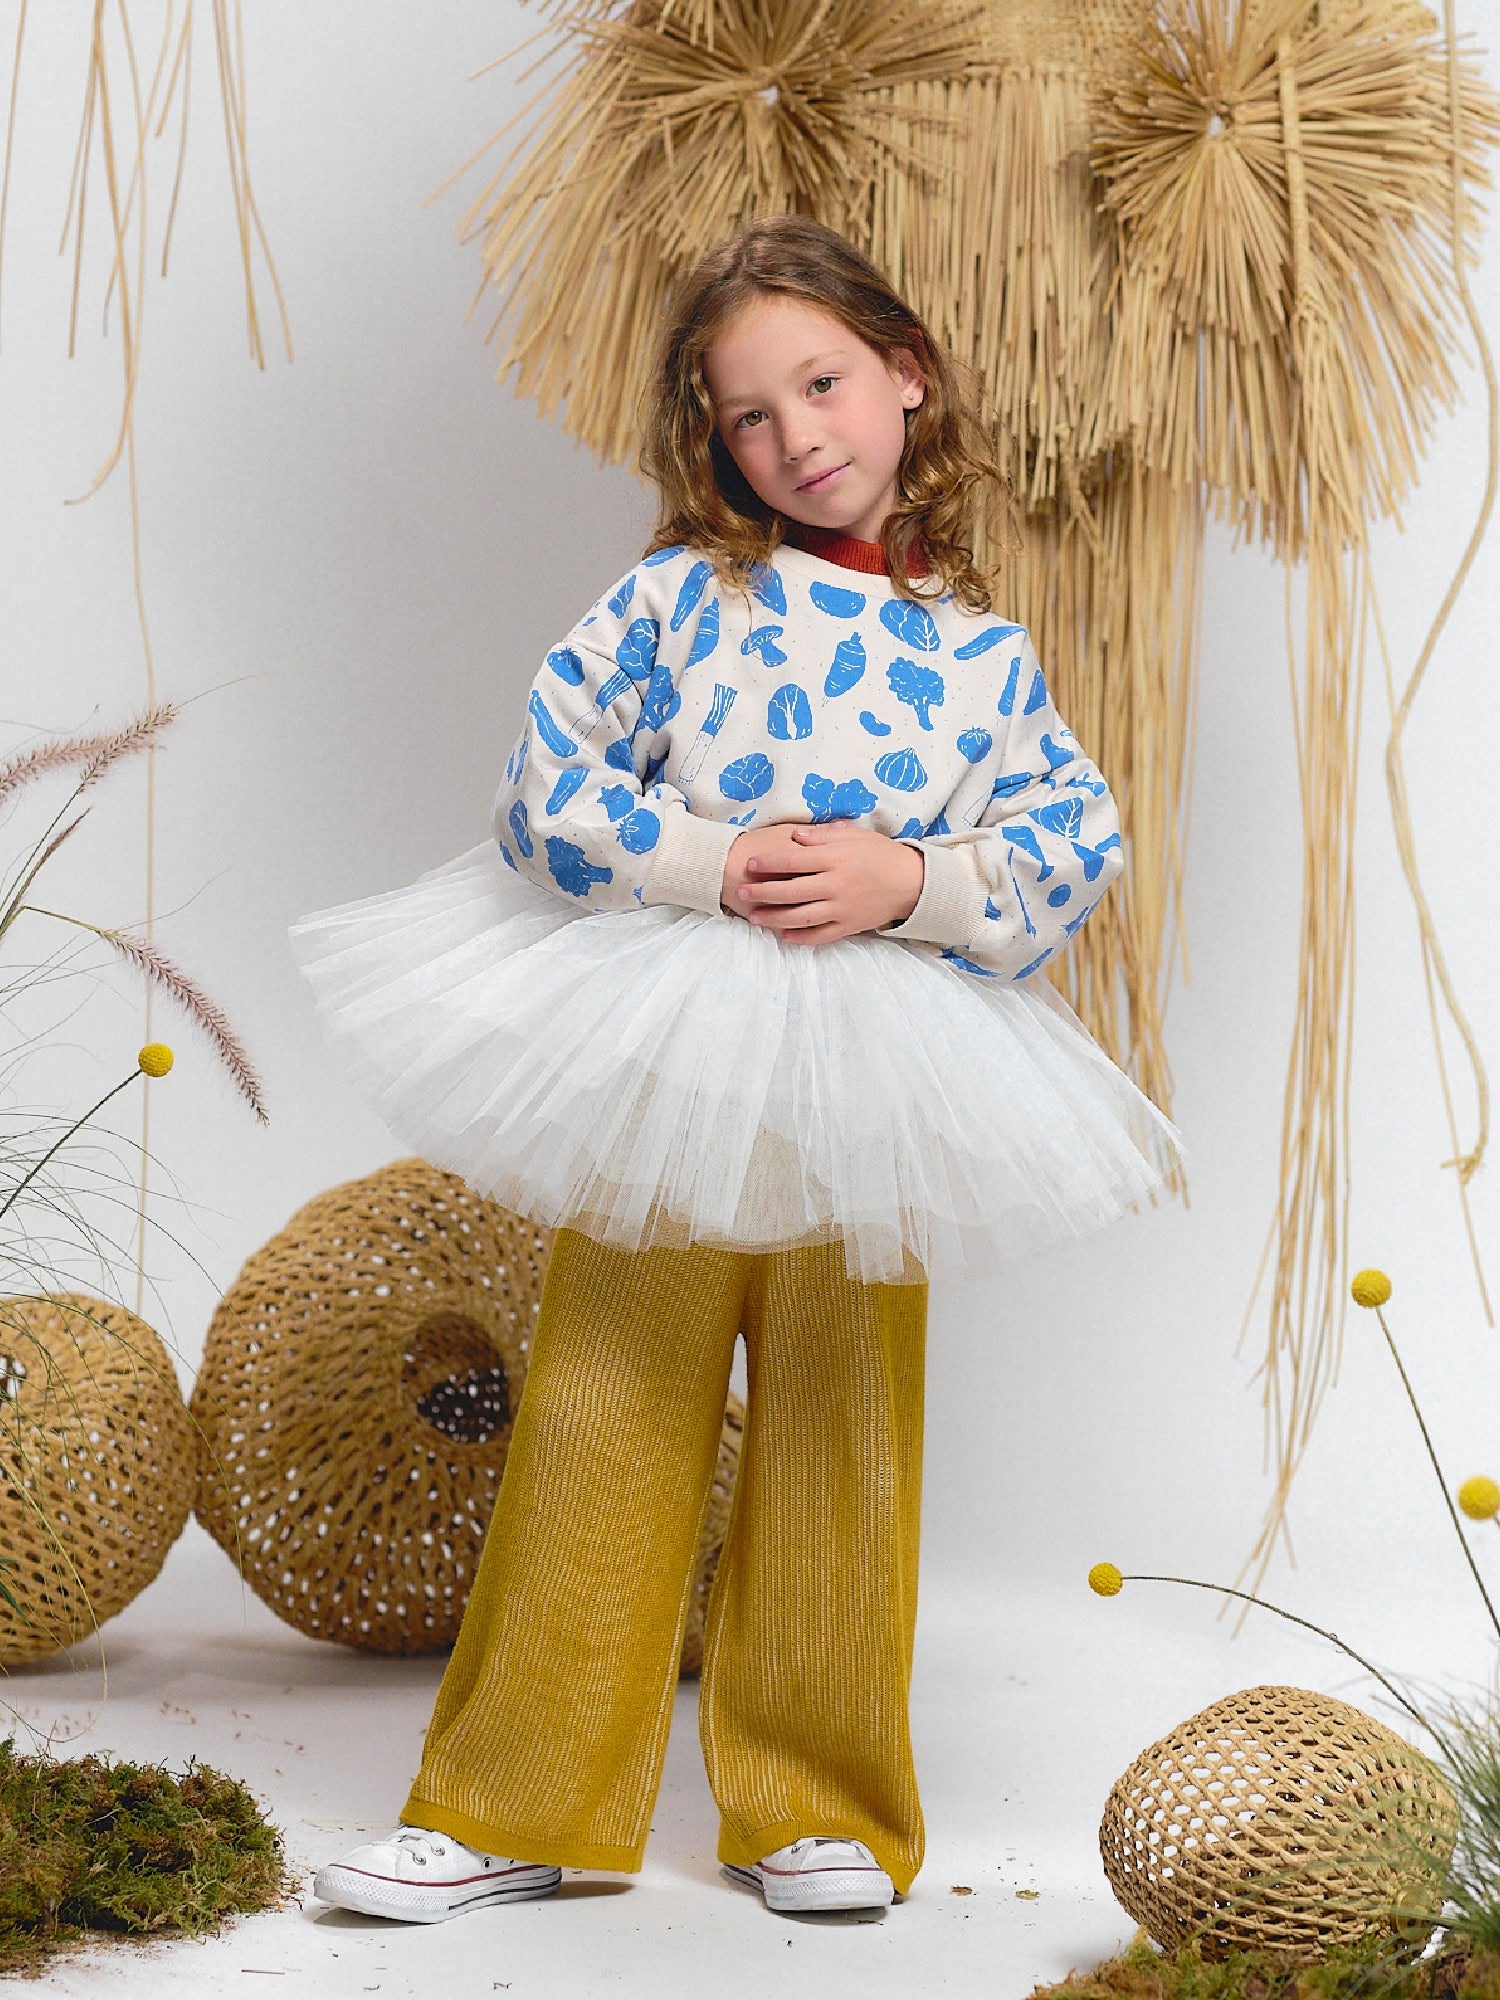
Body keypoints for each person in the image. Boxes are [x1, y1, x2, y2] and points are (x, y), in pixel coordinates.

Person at [288, 213, 1182, 1924]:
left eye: (824, 384)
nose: (796, 437)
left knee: (848, 1419)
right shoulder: (682, 598)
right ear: (713, 440)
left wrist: (908, 882)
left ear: (907, 374)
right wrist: (718, 863)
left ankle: (819, 1803)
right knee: (607, 1400)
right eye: (746, 413)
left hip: (888, 1075)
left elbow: (1074, 845)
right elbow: (543, 800)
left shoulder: (979, 653)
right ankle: (512, 1803)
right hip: (675, 1054)